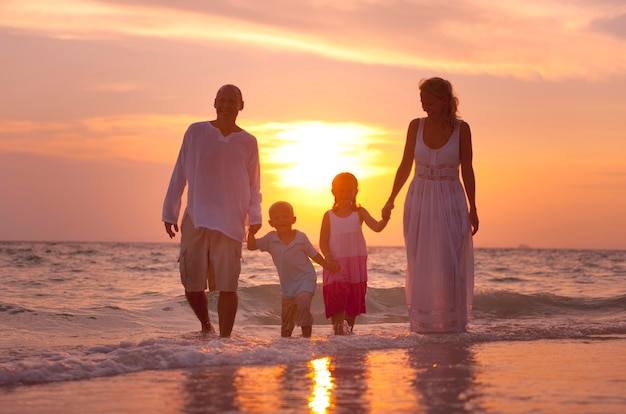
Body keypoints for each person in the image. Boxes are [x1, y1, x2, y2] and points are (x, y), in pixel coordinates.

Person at [162, 84, 262, 337]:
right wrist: (170, 212)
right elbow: (180, 172)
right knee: (192, 285)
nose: (227, 106)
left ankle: (225, 341)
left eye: (233, 101)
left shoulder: (248, 141)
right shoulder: (196, 132)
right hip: (196, 217)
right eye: (223, 101)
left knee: (229, 286)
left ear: (241, 105)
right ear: (214, 103)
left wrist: (256, 218)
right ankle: (206, 325)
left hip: (231, 223)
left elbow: (254, 184)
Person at [382, 77, 479, 333]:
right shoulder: (416, 126)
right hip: (420, 197)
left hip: (450, 198)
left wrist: (474, 207)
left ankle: (451, 325)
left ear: (445, 100)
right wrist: (391, 198)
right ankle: (424, 325)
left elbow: (467, 169)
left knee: (450, 261)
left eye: (430, 102)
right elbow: (405, 165)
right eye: (422, 102)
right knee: (419, 260)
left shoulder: (462, 129)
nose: (425, 107)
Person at [247, 201, 338, 338]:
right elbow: (252, 246)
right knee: (287, 322)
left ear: (293, 219)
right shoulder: (270, 239)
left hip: (306, 279)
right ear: (271, 223)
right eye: (277, 218)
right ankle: (288, 346)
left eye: (285, 216)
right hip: (287, 286)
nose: (281, 220)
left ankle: (306, 338)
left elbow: (314, 255)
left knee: (303, 304)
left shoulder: (301, 237)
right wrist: (251, 233)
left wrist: (327, 265)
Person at [320, 172, 390, 335]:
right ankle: (338, 337)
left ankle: (349, 339)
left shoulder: (359, 212)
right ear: (334, 192)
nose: (345, 194)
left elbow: (377, 227)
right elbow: (323, 241)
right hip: (335, 264)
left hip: (355, 265)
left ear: (355, 192)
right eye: (341, 190)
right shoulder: (328, 215)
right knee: (337, 301)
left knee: (352, 304)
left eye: (349, 190)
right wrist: (328, 257)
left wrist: (385, 218)